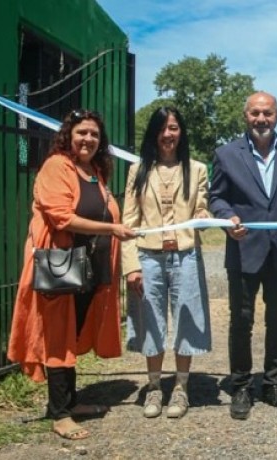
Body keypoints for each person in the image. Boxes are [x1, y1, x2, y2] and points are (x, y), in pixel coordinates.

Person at [7, 109, 136, 440]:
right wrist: (111, 227)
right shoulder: (56, 166)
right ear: (68, 135)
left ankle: (68, 402)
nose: (88, 139)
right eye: (82, 132)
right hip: (61, 264)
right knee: (58, 334)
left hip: (87, 265)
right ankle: (60, 414)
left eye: (94, 134)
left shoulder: (93, 171)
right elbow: (62, 218)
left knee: (70, 331)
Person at [209, 91, 277, 420]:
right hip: (243, 250)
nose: (261, 119)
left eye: (267, 113)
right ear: (245, 116)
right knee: (241, 322)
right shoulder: (226, 154)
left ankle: (273, 384)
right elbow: (216, 198)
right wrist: (226, 218)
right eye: (255, 113)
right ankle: (241, 386)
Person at [122, 107, 212, 419]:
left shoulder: (197, 169)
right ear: (154, 133)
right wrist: (131, 265)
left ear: (181, 132)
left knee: (187, 320)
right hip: (148, 257)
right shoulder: (138, 169)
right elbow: (129, 221)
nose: (168, 134)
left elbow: (202, 207)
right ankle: (154, 387)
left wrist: (203, 215)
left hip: (186, 255)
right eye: (162, 128)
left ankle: (182, 388)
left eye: (173, 127)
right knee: (151, 323)